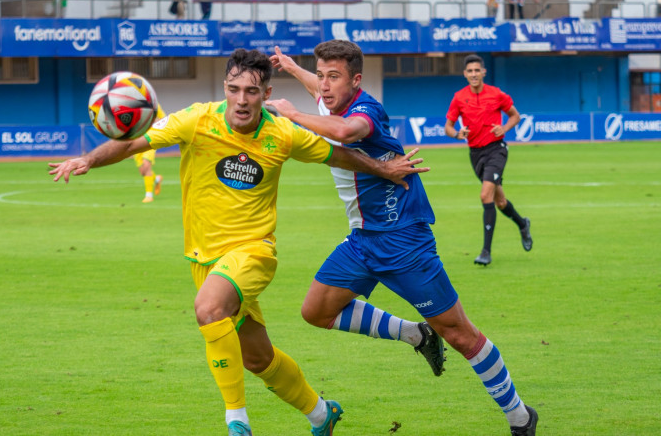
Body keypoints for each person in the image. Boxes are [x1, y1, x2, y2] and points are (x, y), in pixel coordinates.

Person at [49, 49, 427, 436]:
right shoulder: (196, 120)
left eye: (251, 91)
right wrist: (88, 160)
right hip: (204, 258)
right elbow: (133, 144)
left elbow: (338, 155)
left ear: (266, 93)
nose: (242, 99)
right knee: (258, 358)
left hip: (253, 252)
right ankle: (320, 414)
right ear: (225, 88)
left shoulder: (282, 133)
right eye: (234, 89)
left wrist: (383, 167)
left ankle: (237, 421)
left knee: (209, 308)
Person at [268, 41, 538, 436]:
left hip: (403, 240)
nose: (324, 86)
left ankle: (520, 416)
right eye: (321, 76)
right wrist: (293, 68)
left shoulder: (365, 110)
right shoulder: (329, 96)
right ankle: (415, 333)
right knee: (317, 312)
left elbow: (345, 130)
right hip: (362, 239)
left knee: (461, 334)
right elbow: (320, 92)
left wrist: (291, 113)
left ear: (355, 81)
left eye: (334, 77)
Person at [443, 54, 532, 266]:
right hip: (475, 154)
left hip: (496, 150)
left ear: (484, 72)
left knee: (485, 196)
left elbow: (515, 116)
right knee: (500, 201)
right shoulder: (459, 97)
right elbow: (447, 127)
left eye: (477, 70)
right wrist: (457, 134)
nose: (474, 74)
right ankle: (522, 224)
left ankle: (485, 252)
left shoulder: (496, 94)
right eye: (470, 71)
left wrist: (504, 128)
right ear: (465, 74)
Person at [135, 105, 165, 203]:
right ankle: (156, 179)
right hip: (137, 139)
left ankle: (149, 195)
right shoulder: (131, 105)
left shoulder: (153, 104)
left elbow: (164, 119)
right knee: (142, 171)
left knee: (146, 164)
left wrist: (154, 123)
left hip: (150, 138)